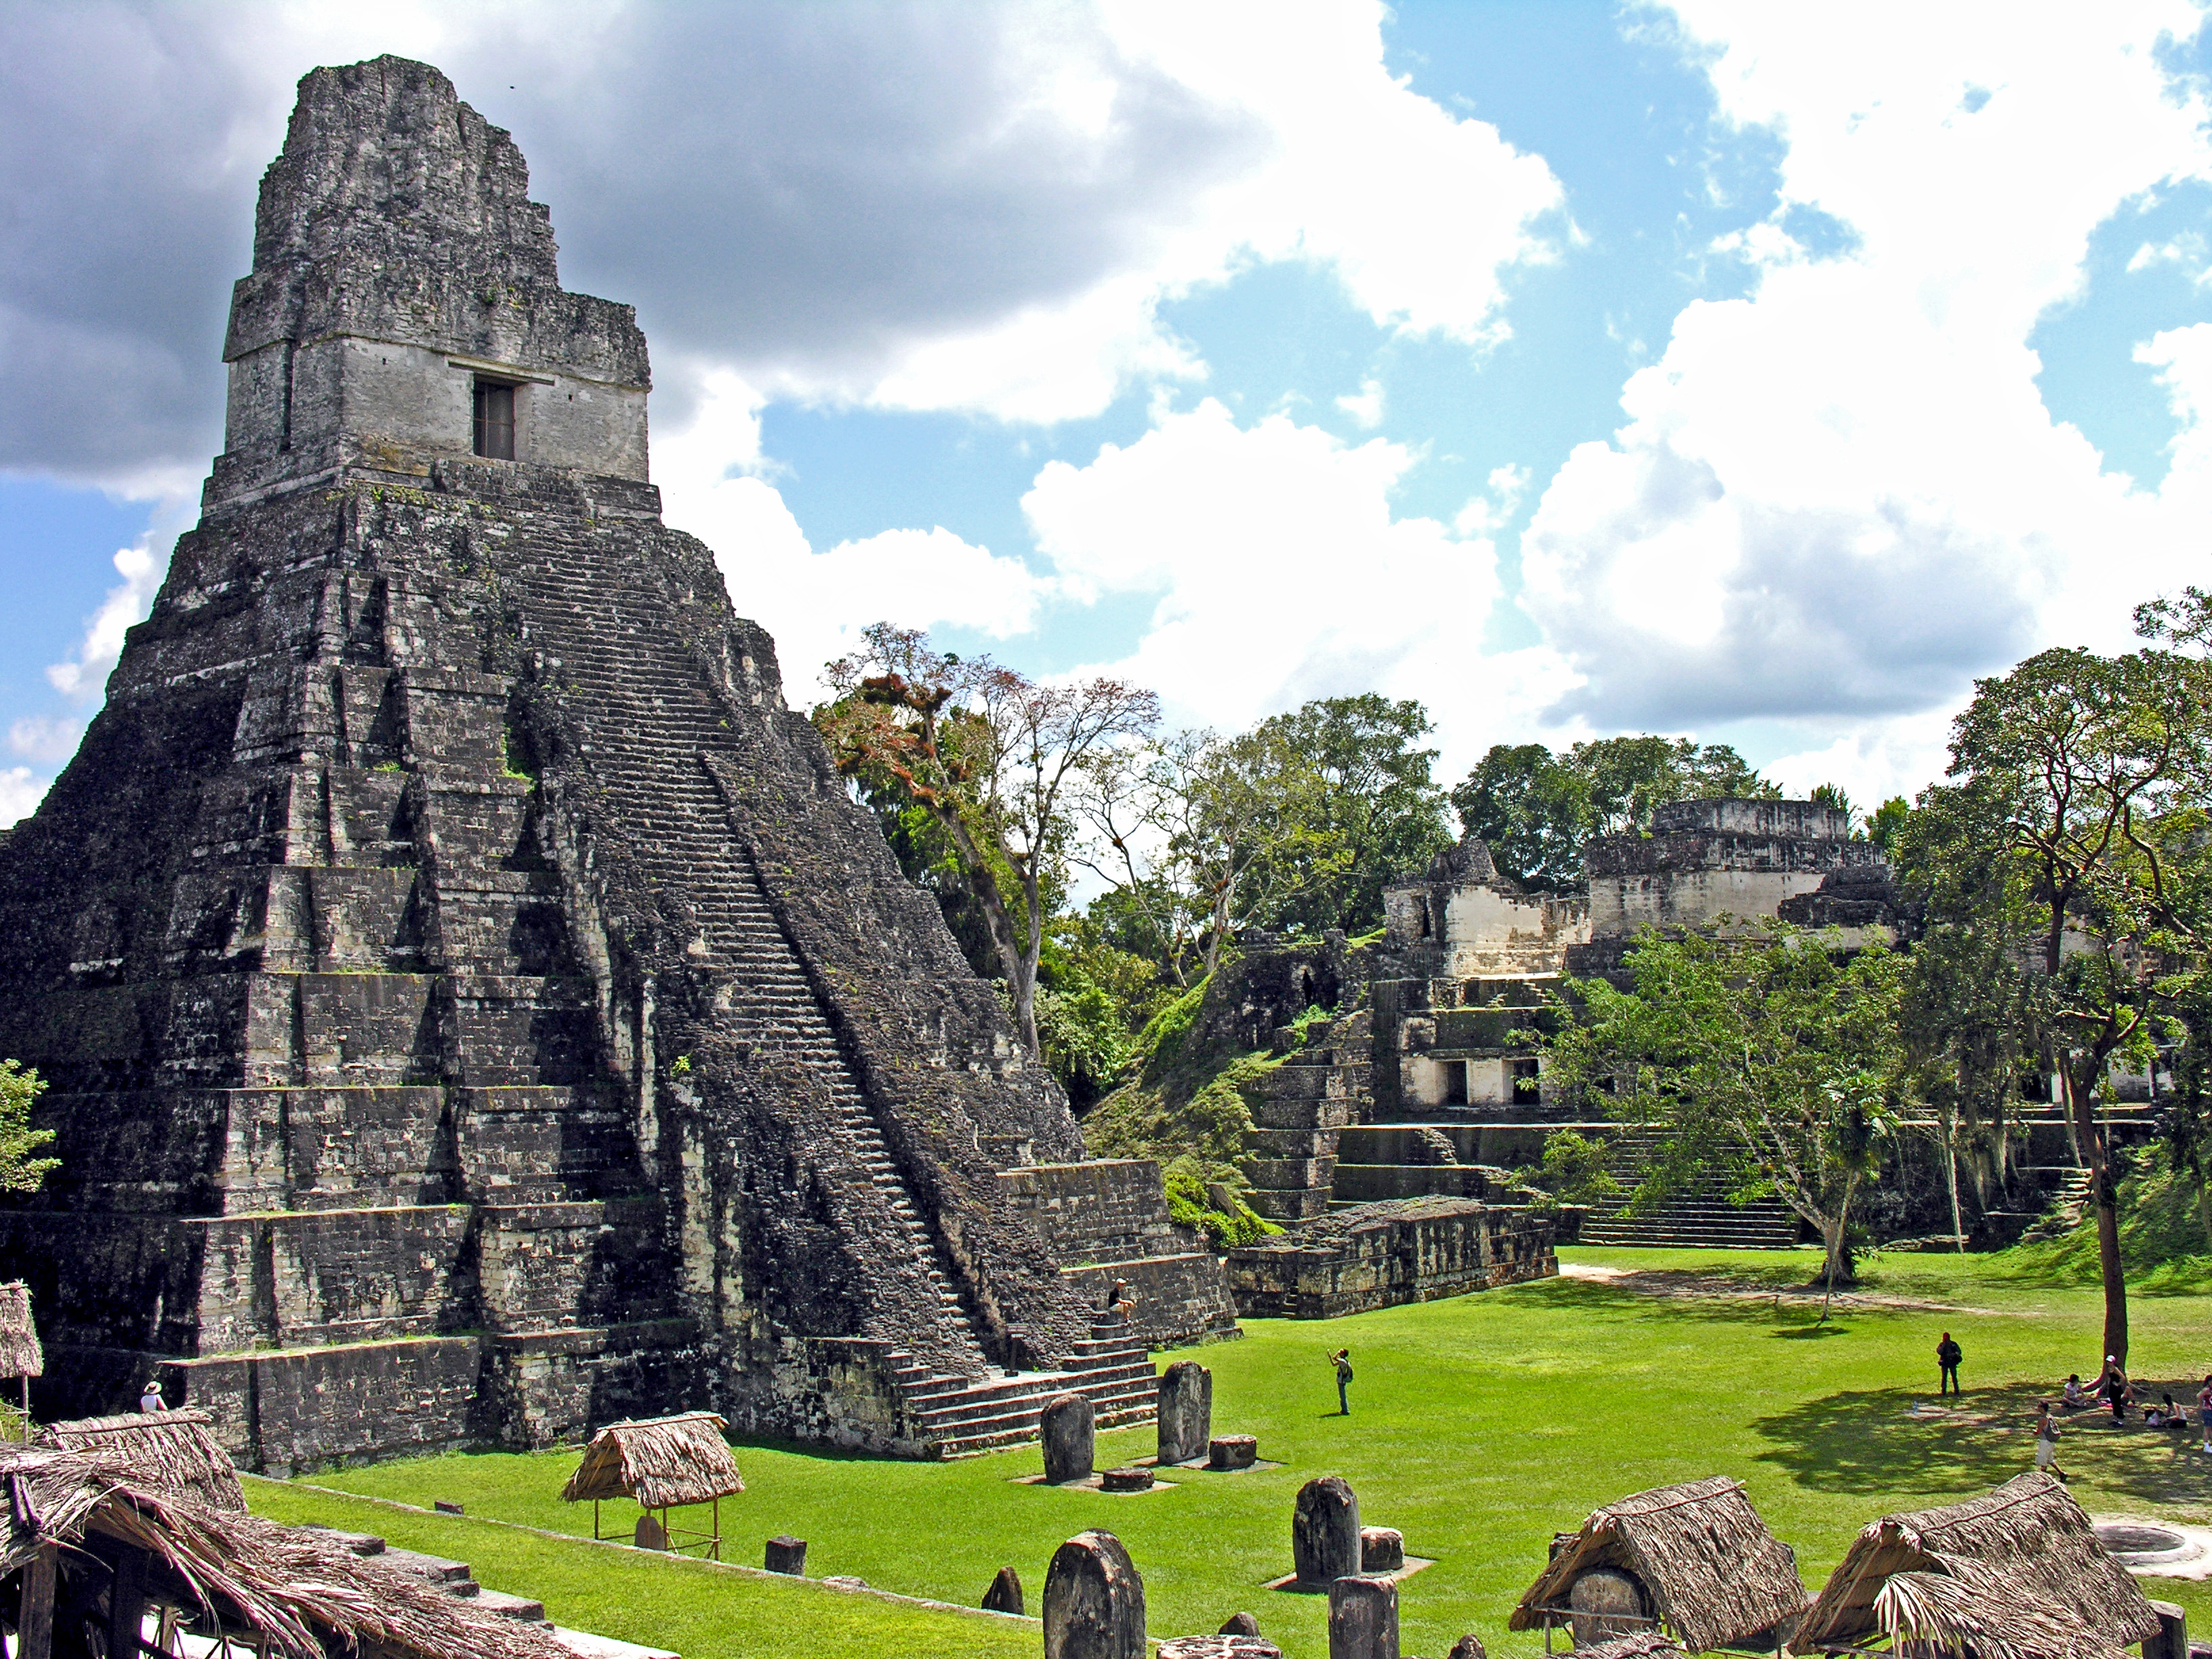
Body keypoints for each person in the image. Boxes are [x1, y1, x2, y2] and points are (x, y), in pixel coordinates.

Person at [2033, 1399, 2063, 1479]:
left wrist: (2035, 1432)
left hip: (2045, 1441)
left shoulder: (2041, 1419)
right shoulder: (2050, 1416)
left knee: (2043, 1460)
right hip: (2051, 1442)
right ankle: (2061, 1473)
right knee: (2050, 1459)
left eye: (2039, 1406)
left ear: (2042, 1408)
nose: (2038, 1408)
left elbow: (2038, 1431)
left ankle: (2042, 1480)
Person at [1936, 1332, 1963, 1397]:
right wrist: (1944, 1346)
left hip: (1952, 1362)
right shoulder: (1942, 1345)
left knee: (1954, 1377)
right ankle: (1944, 1391)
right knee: (1944, 1378)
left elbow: (1959, 1351)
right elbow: (1939, 1351)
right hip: (1945, 1363)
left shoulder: (1953, 1344)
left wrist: (1954, 1354)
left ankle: (1956, 1391)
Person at [1331, 1348, 1353, 1416]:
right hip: (1341, 1380)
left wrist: (1337, 1353)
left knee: (1343, 1396)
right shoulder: (1344, 1361)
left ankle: (1346, 1411)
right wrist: (1330, 1357)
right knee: (1342, 1396)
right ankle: (1343, 1410)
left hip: (1341, 1380)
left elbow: (1334, 1358)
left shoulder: (1343, 1361)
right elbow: (1334, 1364)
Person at [2196, 1374, 2211, 1454]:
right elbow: (2199, 1396)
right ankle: (2206, 1446)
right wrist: (2201, 1406)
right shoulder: (2207, 1390)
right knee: (2207, 1428)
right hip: (2208, 1411)